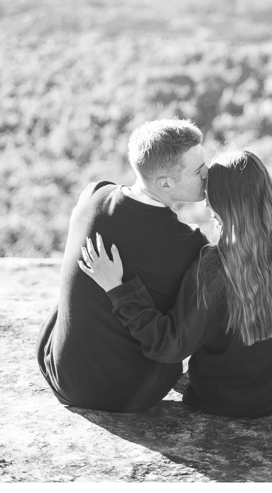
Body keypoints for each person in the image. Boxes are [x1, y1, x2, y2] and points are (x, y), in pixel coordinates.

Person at [78, 149, 272, 417]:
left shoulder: (216, 267)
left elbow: (169, 345)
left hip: (228, 401)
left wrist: (119, 289)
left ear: (216, 204)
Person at [36, 118, 210, 412]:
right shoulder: (189, 245)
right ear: (166, 182)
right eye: (199, 170)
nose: (209, 173)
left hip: (62, 376)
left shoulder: (93, 196)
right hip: (133, 393)